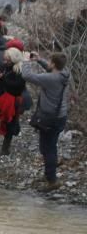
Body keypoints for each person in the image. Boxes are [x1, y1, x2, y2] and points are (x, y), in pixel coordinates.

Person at [22, 52, 70, 191]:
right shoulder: (64, 73)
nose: (48, 63)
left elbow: (27, 76)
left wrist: (26, 61)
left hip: (50, 119)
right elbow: (51, 69)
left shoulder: (51, 79)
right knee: (46, 146)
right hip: (59, 116)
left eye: (49, 61)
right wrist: (39, 60)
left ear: (54, 64)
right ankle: (49, 174)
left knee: (49, 149)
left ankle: (52, 180)